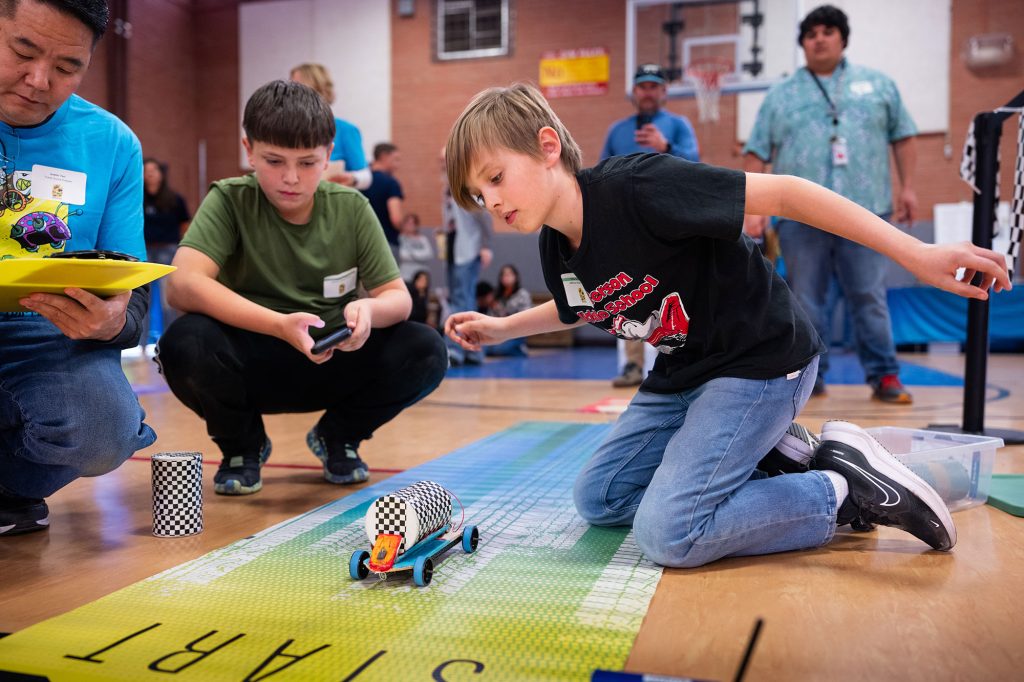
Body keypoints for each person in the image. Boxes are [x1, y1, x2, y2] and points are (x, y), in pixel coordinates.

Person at [442, 82, 1010, 568]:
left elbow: (787, 192)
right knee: (601, 498)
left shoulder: (639, 187)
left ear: (546, 147)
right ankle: (780, 455)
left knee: (669, 533)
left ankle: (841, 490)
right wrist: (500, 328)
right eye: (477, 193)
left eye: (495, 177)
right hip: (684, 377)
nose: (489, 202)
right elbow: (578, 307)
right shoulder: (554, 246)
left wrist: (915, 253)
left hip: (761, 362)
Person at [157, 80, 447, 496]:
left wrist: (369, 312)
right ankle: (243, 446)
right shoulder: (229, 200)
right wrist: (278, 325)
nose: (290, 178)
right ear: (248, 150)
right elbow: (182, 285)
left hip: (333, 358)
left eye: (308, 163)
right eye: (274, 160)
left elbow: (397, 298)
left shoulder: (351, 208)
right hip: (250, 363)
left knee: (425, 348)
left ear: (329, 156)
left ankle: (338, 436)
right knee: (184, 342)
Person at [0, 0, 157, 535]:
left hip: (46, 337)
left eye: (67, 68)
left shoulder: (112, 144)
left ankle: (11, 487)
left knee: (103, 428)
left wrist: (115, 323)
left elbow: (132, 290)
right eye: (22, 51)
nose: (38, 80)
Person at [742, 5, 918, 404]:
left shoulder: (879, 85)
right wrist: (754, 209)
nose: (819, 39)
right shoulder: (780, 95)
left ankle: (885, 375)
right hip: (800, 217)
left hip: (868, 208)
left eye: (827, 31)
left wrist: (908, 188)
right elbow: (756, 152)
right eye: (811, 34)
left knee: (869, 295)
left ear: (842, 39)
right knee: (805, 298)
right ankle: (810, 374)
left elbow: (904, 137)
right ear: (803, 44)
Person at [601, 63, 700, 388]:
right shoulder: (617, 130)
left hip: (669, 223)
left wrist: (666, 147)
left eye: (654, 86)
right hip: (627, 226)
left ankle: (674, 360)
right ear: (634, 91)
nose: (647, 91)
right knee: (628, 294)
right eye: (642, 85)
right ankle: (632, 365)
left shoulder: (678, 125)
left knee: (673, 292)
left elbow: (697, 167)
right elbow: (599, 176)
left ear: (664, 92)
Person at [441, 149, 493, 366]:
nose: (441, 164)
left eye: (444, 159)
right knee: (458, 298)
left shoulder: (467, 185)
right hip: (453, 249)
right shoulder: (447, 186)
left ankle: (458, 349)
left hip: (468, 250)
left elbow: (485, 218)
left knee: (463, 299)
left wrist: (485, 246)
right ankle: (473, 350)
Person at [135, 157, 189, 356]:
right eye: (146, 170)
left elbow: (185, 224)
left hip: (168, 251)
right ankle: (139, 346)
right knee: (143, 299)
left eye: (153, 170)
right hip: (145, 251)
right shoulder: (136, 198)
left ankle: (170, 343)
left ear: (161, 173)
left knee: (168, 300)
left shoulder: (174, 199)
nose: (149, 174)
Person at [289, 63, 371, 190]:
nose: (290, 93)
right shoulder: (286, 128)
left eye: (297, 87)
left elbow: (366, 176)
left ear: (317, 89)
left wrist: (352, 178)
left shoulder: (345, 130)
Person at [360, 142, 404, 258]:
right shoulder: (391, 183)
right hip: (386, 243)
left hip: (362, 244)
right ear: (384, 156)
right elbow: (396, 218)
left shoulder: (359, 181)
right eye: (396, 159)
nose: (398, 165)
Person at [484, 263, 531, 357]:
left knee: (499, 348)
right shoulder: (497, 296)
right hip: (498, 331)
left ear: (516, 277)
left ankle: (520, 349)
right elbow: (490, 316)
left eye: (509, 274)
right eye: (504, 275)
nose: (506, 277)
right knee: (483, 347)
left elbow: (526, 316)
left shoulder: (522, 294)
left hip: (516, 333)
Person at [397, 212, 434, 282]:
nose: (410, 226)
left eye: (412, 223)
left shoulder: (423, 239)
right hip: (405, 275)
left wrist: (412, 254)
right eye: (408, 223)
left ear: (416, 225)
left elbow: (429, 254)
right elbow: (401, 255)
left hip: (421, 274)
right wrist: (418, 255)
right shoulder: (400, 238)